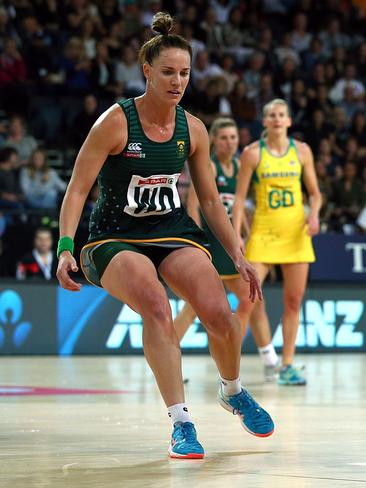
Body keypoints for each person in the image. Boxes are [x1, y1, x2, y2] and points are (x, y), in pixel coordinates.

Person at [55, 13, 273, 460]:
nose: (178, 82)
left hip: (171, 230)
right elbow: (77, 188)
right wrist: (63, 247)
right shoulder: (115, 123)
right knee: (155, 304)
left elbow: (212, 202)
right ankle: (181, 424)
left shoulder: (193, 129)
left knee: (219, 312)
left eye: (185, 73)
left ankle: (232, 391)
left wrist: (238, 254)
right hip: (113, 238)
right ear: (147, 71)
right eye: (169, 72)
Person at [232, 98, 321, 386]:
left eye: (282, 114)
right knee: (246, 301)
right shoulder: (252, 153)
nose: (277, 119)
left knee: (293, 302)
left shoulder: (303, 151)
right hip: (263, 233)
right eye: (272, 115)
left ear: (289, 121)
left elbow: (315, 194)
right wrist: (236, 235)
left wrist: (315, 215)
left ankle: (287, 365)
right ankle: (230, 367)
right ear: (265, 121)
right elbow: (239, 199)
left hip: (296, 234)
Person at [172, 117, 266, 367]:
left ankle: (270, 361)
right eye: (224, 138)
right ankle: (167, 354)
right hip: (211, 244)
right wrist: (196, 243)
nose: (230, 143)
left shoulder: (238, 166)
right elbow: (192, 205)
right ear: (213, 139)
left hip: (230, 243)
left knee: (252, 299)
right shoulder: (209, 166)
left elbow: (239, 209)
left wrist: (244, 234)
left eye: (233, 137)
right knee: (193, 307)